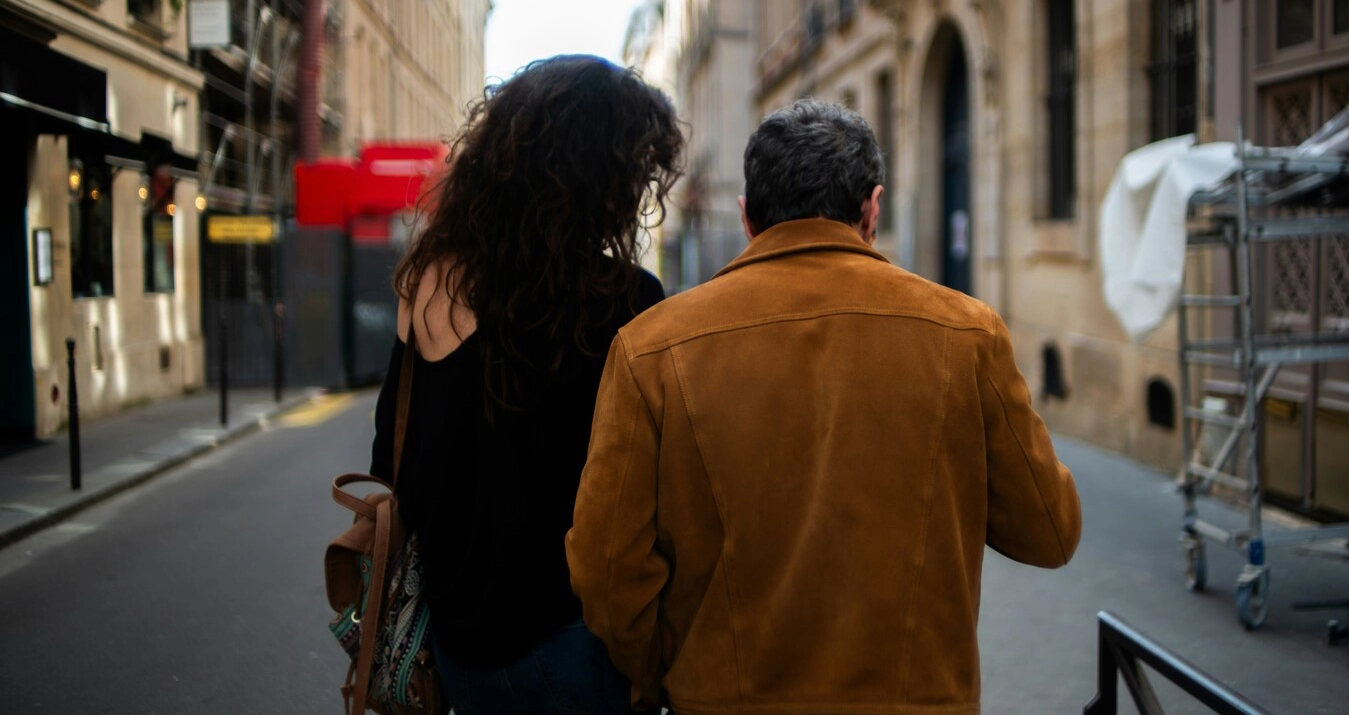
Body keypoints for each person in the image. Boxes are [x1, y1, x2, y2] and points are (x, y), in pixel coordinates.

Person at [567, 98, 1082, 713]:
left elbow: (606, 571)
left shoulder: (651, 349)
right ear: (872, 209)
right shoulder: (967, 333)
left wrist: (675, 671)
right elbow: (1050, 531)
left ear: (748, 218)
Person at [368, 55, 683, 715]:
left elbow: (394, 465)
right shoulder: (625, 298)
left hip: (459, 653)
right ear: (603, 178)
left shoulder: (429, 283)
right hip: (577, 646)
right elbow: (653, 491)